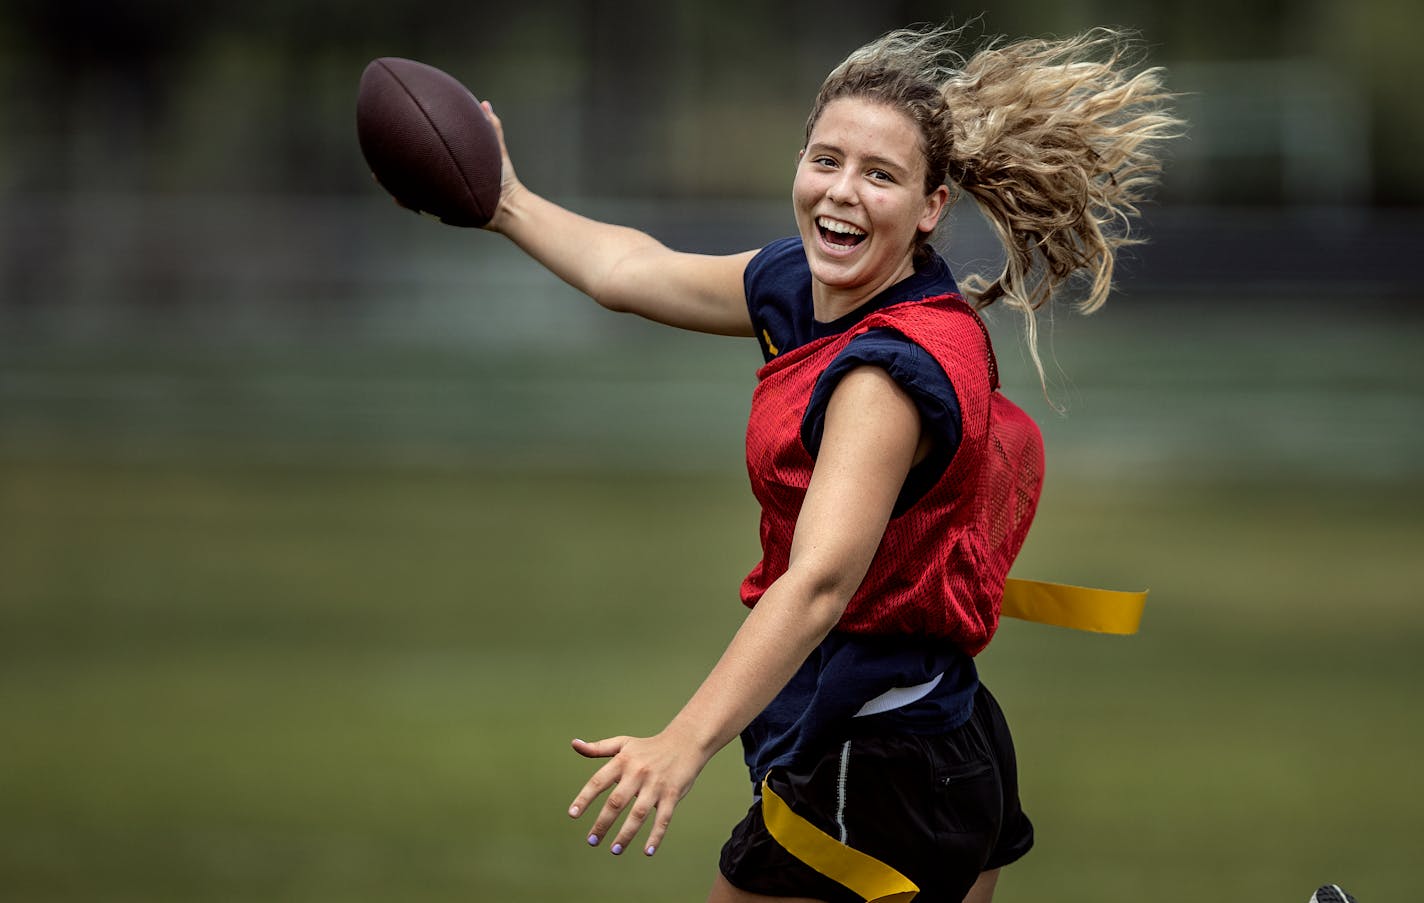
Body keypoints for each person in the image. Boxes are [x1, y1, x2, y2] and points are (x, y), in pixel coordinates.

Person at [482, 23, 1180, 903]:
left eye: (880, 174)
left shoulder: (885, 377)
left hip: (879, 764)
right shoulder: (801, 289)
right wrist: (503, 199)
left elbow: (818, 583)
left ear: (930, 207)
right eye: (826, 160)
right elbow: (631, 270)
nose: (842, 192)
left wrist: (682, 742)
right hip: (934, 730)